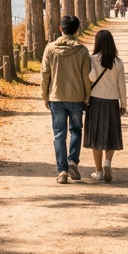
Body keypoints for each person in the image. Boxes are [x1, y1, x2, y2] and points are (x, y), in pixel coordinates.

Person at [41, 14, 91, 184]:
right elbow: (86, 77)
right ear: (77, 30)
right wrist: (87, 97)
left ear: (60, 29)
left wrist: (45, 96)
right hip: (77, 96)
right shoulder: (83, 51)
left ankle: (62, 170)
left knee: (59, 134)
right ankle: (73, 162)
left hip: (57, 96)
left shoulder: (50, 49)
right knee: (76, 130)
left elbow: (45, 75)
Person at [84, 29, 127, 182]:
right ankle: (108, 161)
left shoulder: (92, 59)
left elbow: (90, 78)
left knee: (96, 136)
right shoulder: (118, 62)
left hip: (95, 100)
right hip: (112, 101)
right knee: (111, 133)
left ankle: (98, 171)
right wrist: (124, 104)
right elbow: (121, 85)